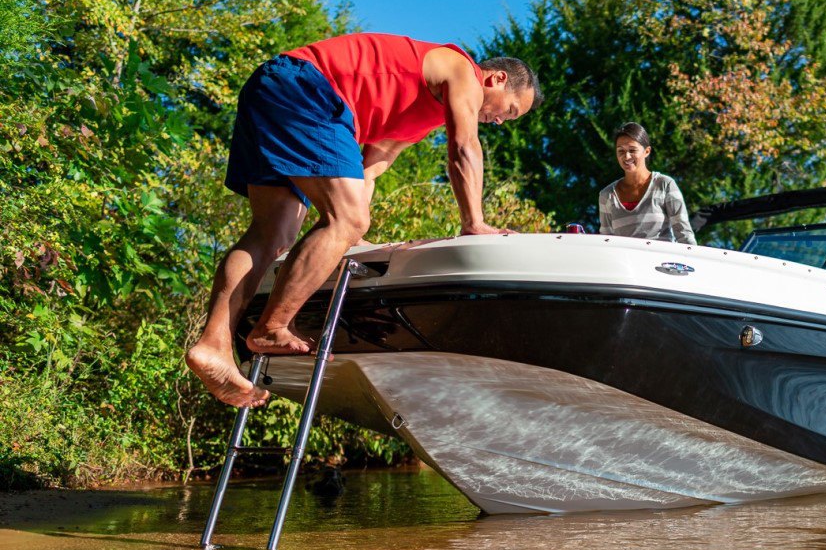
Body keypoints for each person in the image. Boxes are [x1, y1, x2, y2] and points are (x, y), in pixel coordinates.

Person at [185, 32, 541, 407]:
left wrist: (349, 234)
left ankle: (213, 346)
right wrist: (475, 223)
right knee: (347, 220)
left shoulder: (417, 119)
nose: (501, 120)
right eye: (510, 110)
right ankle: (271, 328)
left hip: (272, 88)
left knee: (273, 234)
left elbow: (366, 174)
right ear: (497, 79)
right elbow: (464, 147)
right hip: (308, 85)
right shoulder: (462, 70)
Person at [597, 122, 695, 244]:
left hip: (660, 261)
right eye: (621, 151)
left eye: (632, 150)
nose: (626, 156)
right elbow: (606, 241)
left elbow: (684, 234)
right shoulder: (607, 195)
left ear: (647, 151)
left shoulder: (665, 185)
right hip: (625, 262)